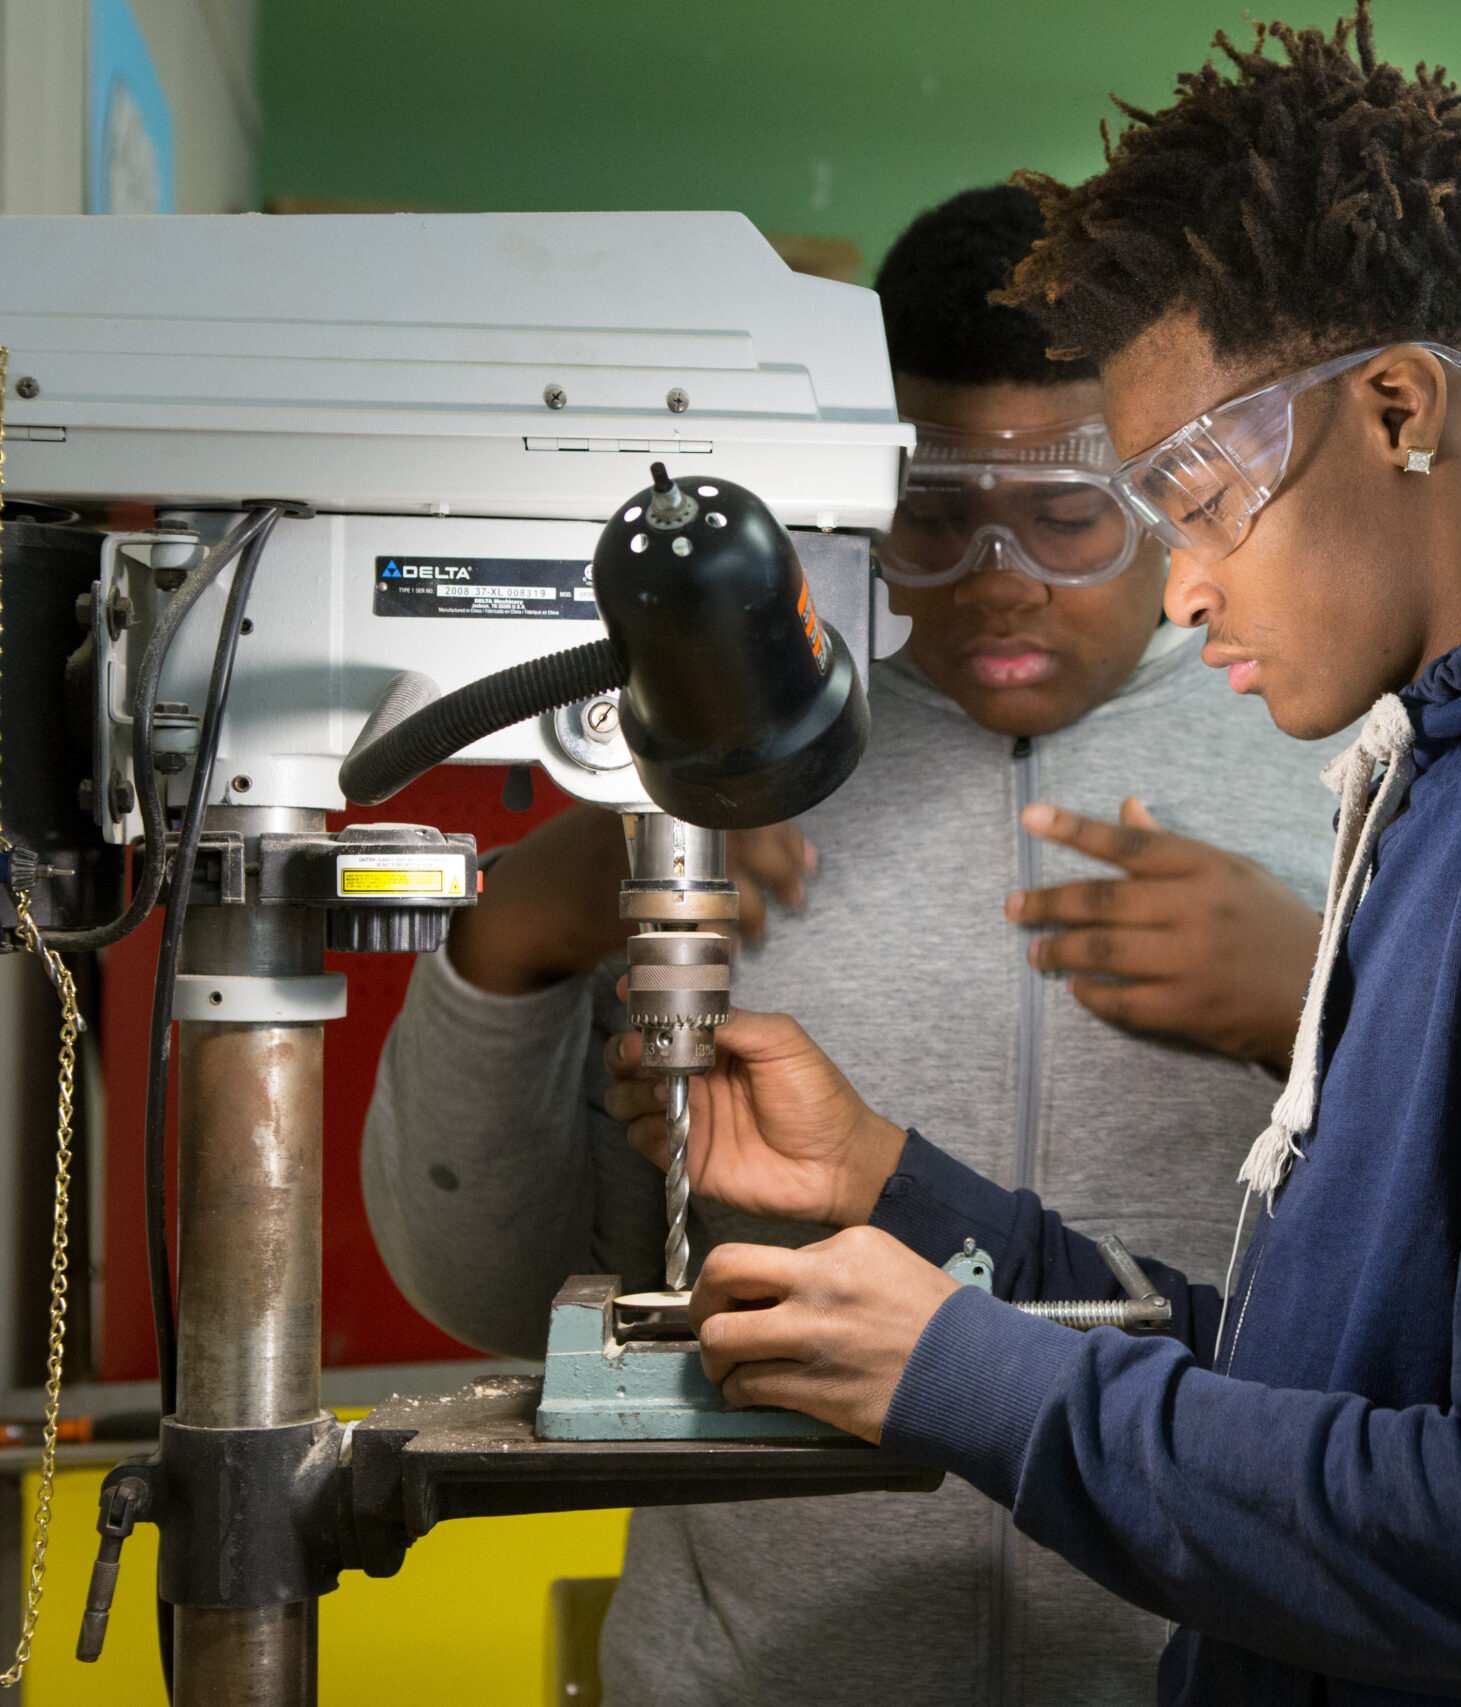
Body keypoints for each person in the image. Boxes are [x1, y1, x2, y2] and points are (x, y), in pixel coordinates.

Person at [603, 10, 1461, 1703]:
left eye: (1197, 495)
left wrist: (972, 1380)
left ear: (1399, 407)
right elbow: (1320, 1389)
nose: (1184, 584)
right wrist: (894, 1189)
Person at [361, 184, 1336, 1703]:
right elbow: (487, 1295)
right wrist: (517, 937)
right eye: (935, 518)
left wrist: (1309, 1002)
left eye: (1068, 515)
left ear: (1159, 487)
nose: (1001, 576)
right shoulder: (721, 749)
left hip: (1209, 1662)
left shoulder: (1324, 753)